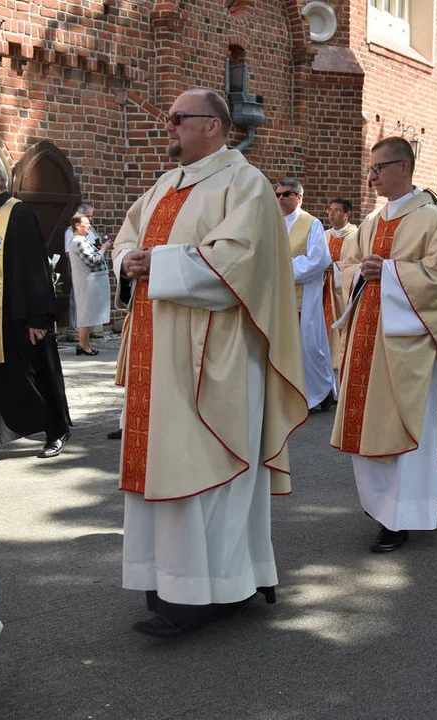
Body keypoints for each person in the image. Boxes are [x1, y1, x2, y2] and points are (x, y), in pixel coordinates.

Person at [112, 88, 307, 637]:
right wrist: (126, 257)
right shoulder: (164, 185)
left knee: (210, 471)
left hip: (213, 358)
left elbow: (240, 263)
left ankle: (209, 591)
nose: (167, 126)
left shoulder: (246, 184)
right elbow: (128, 237)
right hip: (158, 352)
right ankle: (168, 580)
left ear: (214, 126)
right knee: (161, 465)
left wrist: (161, 263)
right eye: (168, 118)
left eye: (177, 119)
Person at [330, 137, 437, 553]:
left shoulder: (431, 220)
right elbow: (348, 267)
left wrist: (389, 272)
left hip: (408, 345)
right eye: (370, 168)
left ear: (404, 167)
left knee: (408, 428)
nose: (371, 176)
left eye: (379, 167)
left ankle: (403, 515)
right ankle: (379, 507)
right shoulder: (371, 222)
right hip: (366, 339)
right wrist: (363, 273)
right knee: (368, 425)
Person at [0, 156, 72, 463]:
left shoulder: (18, 213)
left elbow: (33, 266)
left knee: (36, 375)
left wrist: (37, 317)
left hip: (18, 315)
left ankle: (57, 430)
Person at [278, 178, 336, 411]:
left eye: (287, 194)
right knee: (283, 349)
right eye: (278, 194)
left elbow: (318, 259)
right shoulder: (272, 223)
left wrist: (281, 268)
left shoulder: (311, 224)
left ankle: (319, 393)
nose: (281, 198)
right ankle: (290, 396)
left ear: (299, 198)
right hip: (279, 299)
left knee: (309, 348)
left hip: (304, 299)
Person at [68, 212, 113, 356]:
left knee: (88, 313)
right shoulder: (78, 241)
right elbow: (92, 260)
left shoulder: (82, 240)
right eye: (86, 224)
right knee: (86, 314)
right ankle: (83, 345)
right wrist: (104, 248)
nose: (89, 226)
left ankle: (85, 344)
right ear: (77, 225)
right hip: (87, 282)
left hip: (88, 281)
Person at [323, 197, 357, 371]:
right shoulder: (325, 235)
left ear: (347, 214)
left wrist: (334, 267)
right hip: (323, 292)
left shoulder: (355, 236)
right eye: (330, 210)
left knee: (339, 336)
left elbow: (355, 264)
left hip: (341, 294)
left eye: (336, 211)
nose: (332, 214)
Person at [63, 202, 99, 338]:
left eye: (91, 216)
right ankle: (74, 330)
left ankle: (90, 329)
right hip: (78, 268)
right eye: (88, 216)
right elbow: (68, 252)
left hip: (91, 268)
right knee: (76, 298)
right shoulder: (70, 232)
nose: (90, 219)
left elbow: (96, 244)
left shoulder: (91, 231)